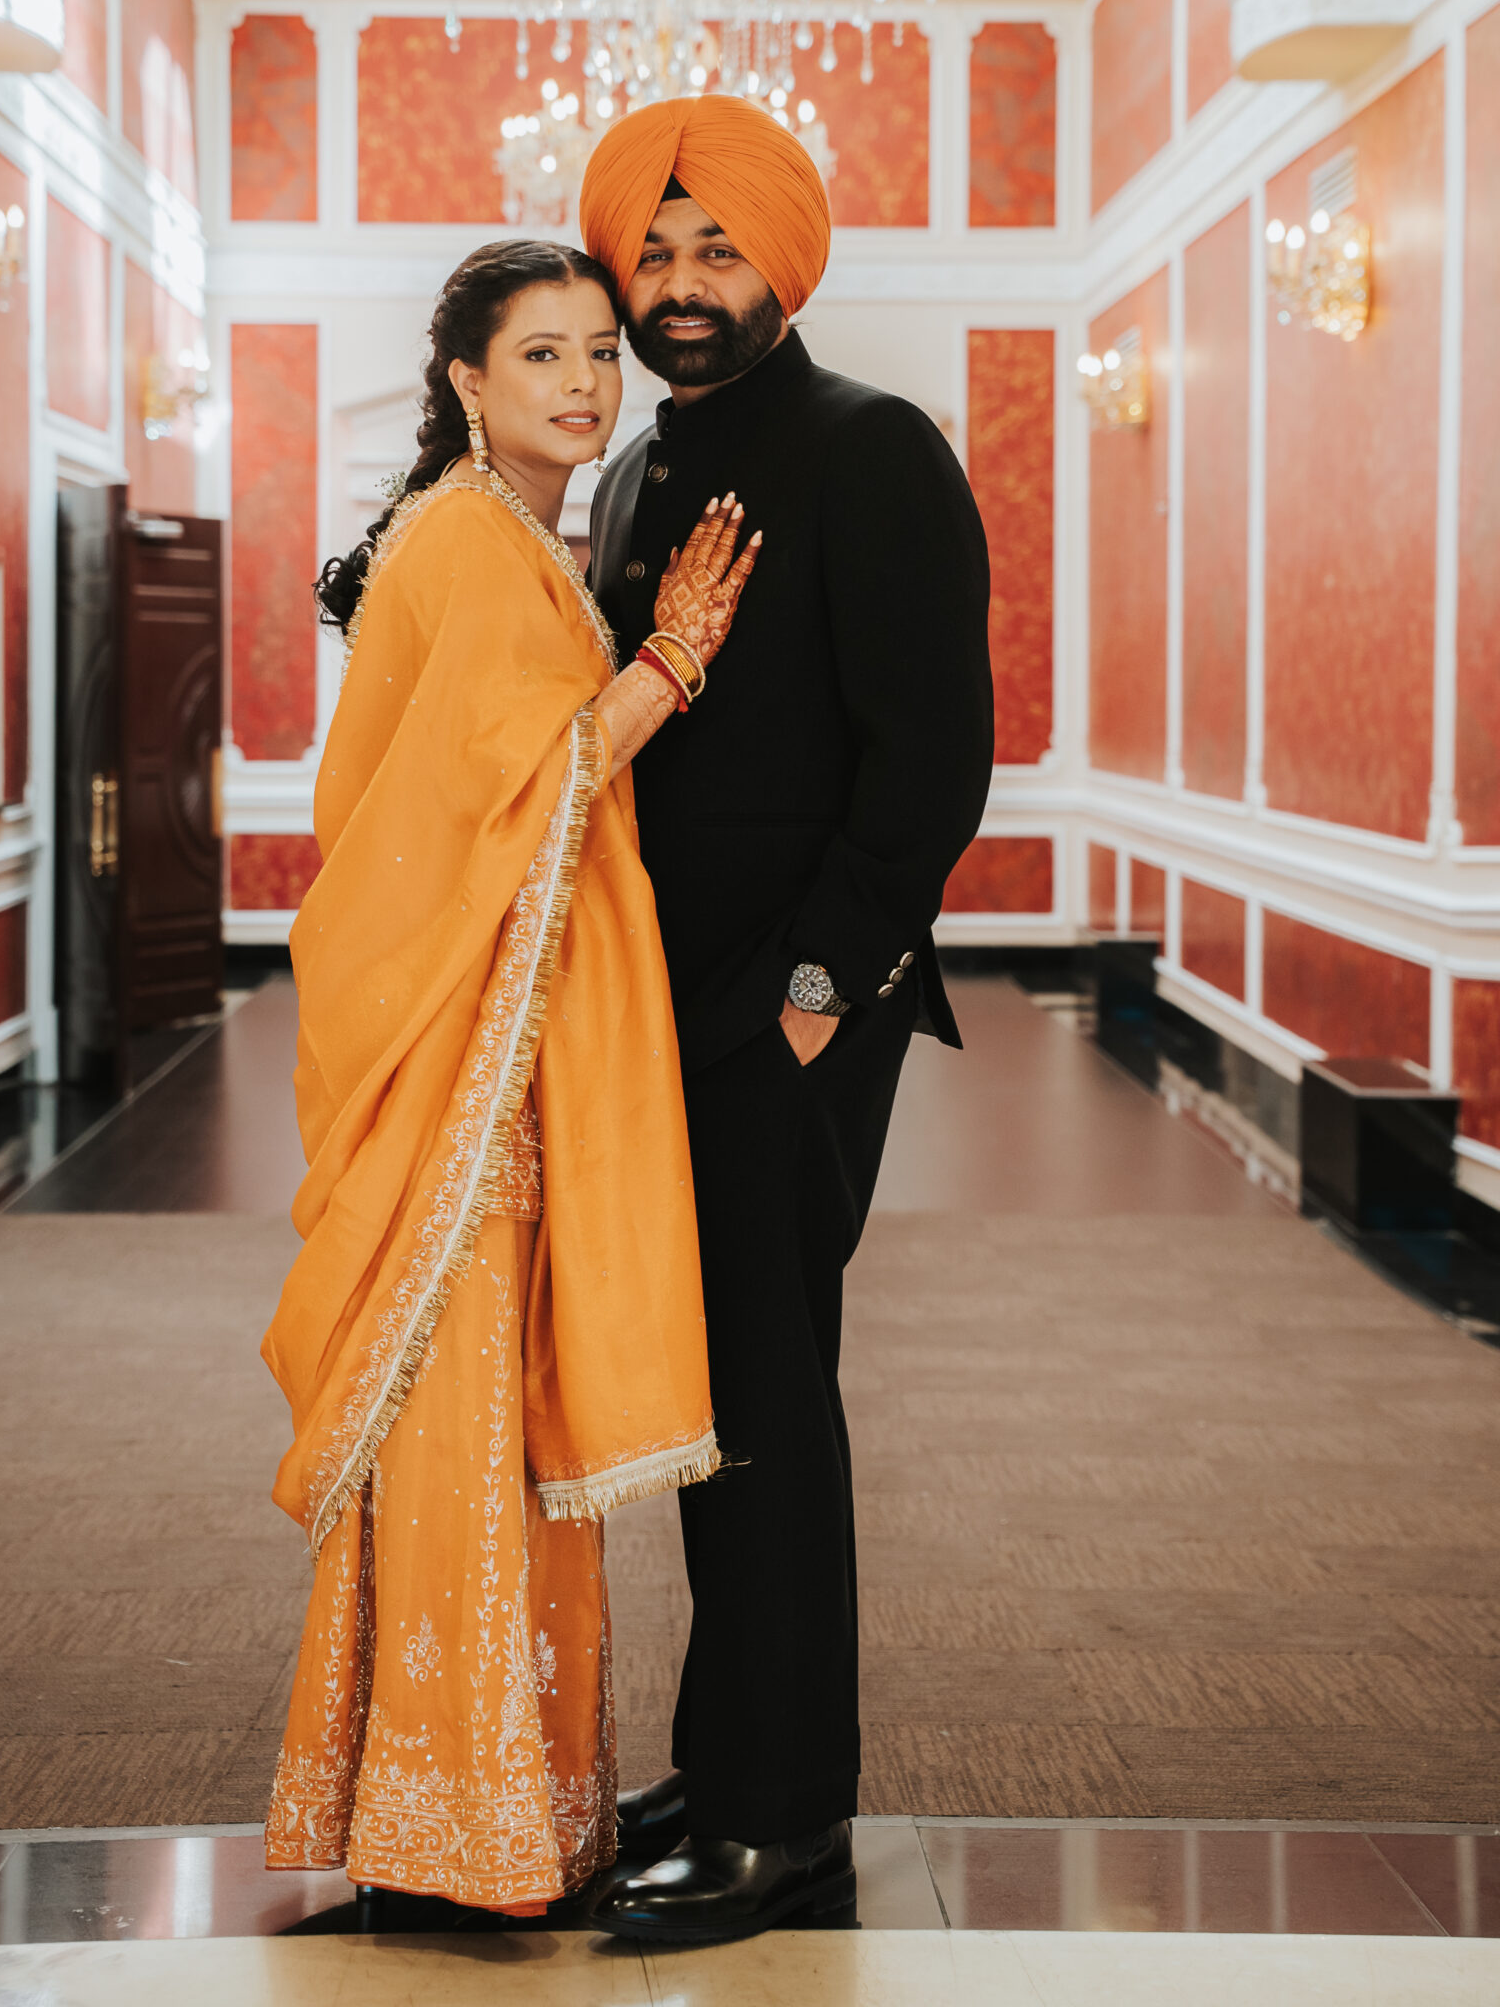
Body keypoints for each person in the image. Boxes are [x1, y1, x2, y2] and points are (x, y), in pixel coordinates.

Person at [261, 238, 759, 1925]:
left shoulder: (514, 537)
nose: (586, 383)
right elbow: (522, 789)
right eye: (543, 354)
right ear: (469, 381)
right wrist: (672, 661)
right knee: (465, 1421)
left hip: (502, 1044)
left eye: (601, 352)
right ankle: (453, 1828)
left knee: (492, 1422)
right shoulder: (474, 542)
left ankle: (489, 1809)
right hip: (463, 1064)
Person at [581, 97, 995, 1942]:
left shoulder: (872, 446)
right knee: (698, 1397)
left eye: (717, 250)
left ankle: (789, 1818)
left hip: (791, 1011)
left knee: (766, 1399)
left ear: (784, 267)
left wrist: (817, 999)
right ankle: (728, 1758)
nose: (681, 286)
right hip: (646, 1010)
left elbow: (933, 760)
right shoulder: (629, 475)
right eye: (655, 253)